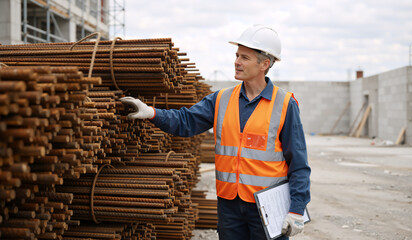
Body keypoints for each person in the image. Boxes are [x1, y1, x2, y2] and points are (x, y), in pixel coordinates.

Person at [120, 25, 311, 240]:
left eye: (245, 57)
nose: (237, 62)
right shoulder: (221, 99)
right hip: (230, 205)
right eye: (237, 55)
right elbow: (186, 121)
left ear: (264, 64)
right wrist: (152, 113)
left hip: (267, 206)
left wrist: (296, 208)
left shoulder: (284, 104)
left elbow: (299, 164)